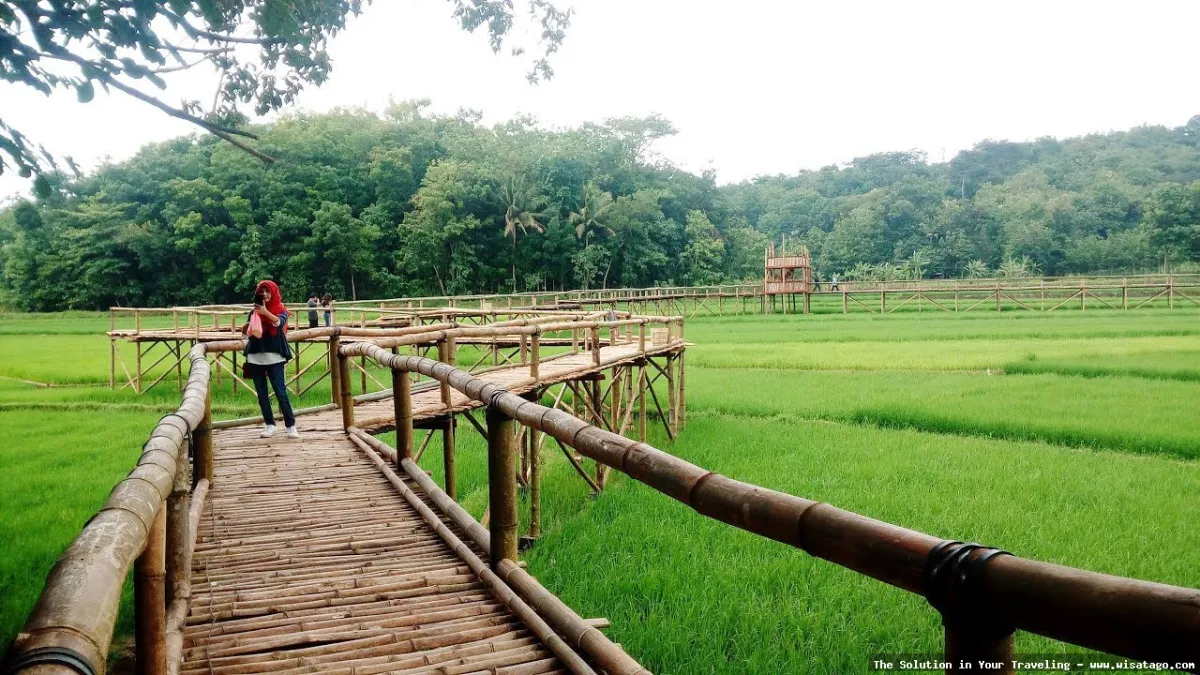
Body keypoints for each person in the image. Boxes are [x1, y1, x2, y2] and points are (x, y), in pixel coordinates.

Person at [244, 280, 298, 439]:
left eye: (268, 291)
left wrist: (265, 313)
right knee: (261, 394)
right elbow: (249, 329)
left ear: (274, 292)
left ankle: (291, 426)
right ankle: (270, 425)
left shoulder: (281, 310)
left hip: (275, 355)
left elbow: (278, 322)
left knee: (281, 392)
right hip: (255, 355)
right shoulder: (254, 311)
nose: (265, 294)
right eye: (262, 291)